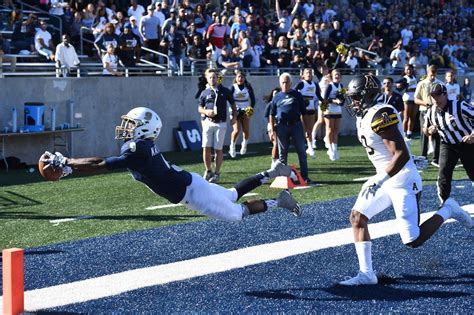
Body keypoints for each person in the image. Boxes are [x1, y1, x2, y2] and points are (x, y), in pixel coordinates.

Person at [40, 107, 302, 223]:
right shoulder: (139, 147)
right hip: (189, 183)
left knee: (235, 214)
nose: (126, 128)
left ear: (144, 128)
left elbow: (100, 164)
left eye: (132, 124)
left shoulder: (136, 149)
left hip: (190, 191)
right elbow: (100, 165)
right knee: (232, 195)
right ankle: (272, 172)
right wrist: (71, 167)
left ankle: (279, 200)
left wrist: (67, 162)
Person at [340, 74, 472, 286]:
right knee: (357, 217)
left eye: (356, 97)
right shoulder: (364, 115)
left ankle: (449, 208)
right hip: (384, 177)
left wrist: (379, 180)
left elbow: (400, 154)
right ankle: (367, 274)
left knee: (413, 240)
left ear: (367, 96)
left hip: (401, 179)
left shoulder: (381, 114)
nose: (352, 102)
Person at [422, 83, 474, 204]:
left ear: (445, 94)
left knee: (473, 173)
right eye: (432, 96)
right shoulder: (431, 111)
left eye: (438, 95)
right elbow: (425, 129)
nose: (435, 98)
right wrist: (429, 131)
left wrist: (473, 135)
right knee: (444, 172)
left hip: (467, 144)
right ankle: (444, 202)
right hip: (448, 144)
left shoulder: (459, 105)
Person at [269, 72, 312, 184]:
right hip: (282, 126)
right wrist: (272, 130)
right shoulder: (277, 97)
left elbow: (304, 112)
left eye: (287, 82)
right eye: (283, 82)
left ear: (291, 83)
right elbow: (271, 114)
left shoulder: (297, 95)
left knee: (301, 152)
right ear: (280, 83)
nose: (285, 84)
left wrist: (307, 129)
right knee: (282, 154)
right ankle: (284, 178)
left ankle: (304, 176)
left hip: (296, 125)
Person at [198, 68, 237, 183]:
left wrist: (234, 117)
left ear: (218, 78)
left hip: (220, 123)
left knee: (218, 149)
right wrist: (206, 112)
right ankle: (208, 170)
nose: (212, 79)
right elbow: (200, 107)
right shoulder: (204, 92)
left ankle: (217, 173)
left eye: (214, 77)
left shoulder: (224, 90)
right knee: (206, 147)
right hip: (207, 122)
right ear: (207, 79)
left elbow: (233, 104)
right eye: (210, 77)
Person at [414, 64, 443, 166]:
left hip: (436, 112)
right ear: (427, 72)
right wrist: (425, 103)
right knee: (424, 133)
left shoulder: (440, 83)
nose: (433, 75)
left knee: (437, 134)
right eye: (432, 72)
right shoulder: (421, 84)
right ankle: (423, 157)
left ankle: (436, 159)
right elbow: (416, 99)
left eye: (435, 72)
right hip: (424, 111)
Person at [294, 67, 322, 158]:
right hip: (303, 109)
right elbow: (293, 92)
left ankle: (310, 147)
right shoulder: (301, 84)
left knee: (310, 128)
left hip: (311, 108)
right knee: (305, 129)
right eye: (307, 73)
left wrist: (325, 102)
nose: (309, 74)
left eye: (310, 72)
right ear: (303, 75)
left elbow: (319, 96)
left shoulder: (315, 84)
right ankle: (307, 147)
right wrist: (301, 100)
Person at [229, 71, 256, 158]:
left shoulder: (248, 87)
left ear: (244, 78)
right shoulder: (233, 87)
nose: (240, 79)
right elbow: (229, 99)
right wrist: (233, 110)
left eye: (242, 77)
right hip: (235, 110)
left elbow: (253, 99)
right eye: (238, 77)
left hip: (245, 109)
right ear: (235, 78)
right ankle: (232, 146)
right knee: (236, 130)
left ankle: (244, 144)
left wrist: (251, 108)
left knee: (246, 130)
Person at [322, 69, 345, 161]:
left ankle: (335, 149)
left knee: (336, 130)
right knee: (330, 129)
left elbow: (342, 100)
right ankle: (330, 149)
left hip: (338, 110)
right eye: (335, 74)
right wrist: (334, 101)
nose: (337, 76)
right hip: (329, 110)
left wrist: (340, 102)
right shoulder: (330, 86)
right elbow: (325, 99)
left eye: (338, 74)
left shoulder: (341, 86)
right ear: (332, 76)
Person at [396, 64, 417, 142]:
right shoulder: (404, 78)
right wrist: (403, 86)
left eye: (410, 69)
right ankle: (403, 134)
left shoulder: (414, 77)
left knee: (412, 117)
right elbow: (397, 85)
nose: (409, 71)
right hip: (407, 98)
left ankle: (409, 134)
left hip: (414, 98)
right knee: (406, 117)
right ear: (404, 71)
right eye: (407, 69)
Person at [264, 87, 281, 165]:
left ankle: (279, 161)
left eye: (278, 94)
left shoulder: (282, 103)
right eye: (275, 94)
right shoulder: (270, 104)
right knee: (276, 143)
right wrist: (271, 125)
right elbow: (266, 116)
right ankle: (274, 161)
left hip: (281, 125)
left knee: (281, 144)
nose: (276, 95)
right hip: (272, 126)